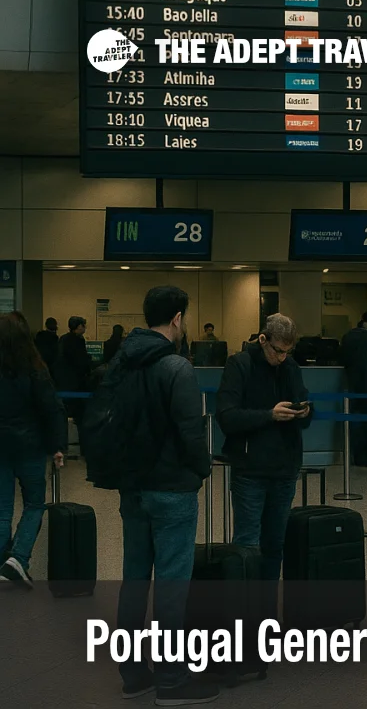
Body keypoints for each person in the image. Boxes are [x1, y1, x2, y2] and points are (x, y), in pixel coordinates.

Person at [107, 286, 216, 704]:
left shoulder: (121, 363)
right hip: (171, 489)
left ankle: (134, 673)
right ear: (176, 319)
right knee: (172, 583)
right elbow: (191, 433)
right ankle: (172, 679)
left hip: (132, 488)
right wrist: (202, 469)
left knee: (134, 579)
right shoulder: (176, 367)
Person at [215, 313, 312, 597]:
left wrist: (304, 412)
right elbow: (227, 417)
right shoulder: (239, 365)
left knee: (274, 545)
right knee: (247, 544)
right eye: (277, 350)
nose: (282, 357)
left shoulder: (291, 367)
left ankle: (266, 614)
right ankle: (244, 613)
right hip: (250, 470)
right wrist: (269, 415)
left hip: (284, 468)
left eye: (287, 352)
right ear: (262, 339)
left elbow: (304, 413)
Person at [0, 312, 66, 587]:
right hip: (30, 446)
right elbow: (50, 409)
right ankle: (17, 559)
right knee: (34, 504)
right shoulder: (35, 368)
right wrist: (57, 447)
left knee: (1, 510)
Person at [340, 311, 367, 466]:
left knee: (354, 419)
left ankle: (354, 455)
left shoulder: (348, 336)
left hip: (351, 383)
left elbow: (342, 358)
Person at [54, 315, 92, 422]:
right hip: (74, 379)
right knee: (76, 409)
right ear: (78, 326)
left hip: (64, 379)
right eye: (83, 325)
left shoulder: (64, 338)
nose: (84, 327)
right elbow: (80, 360)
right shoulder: (77, 340)